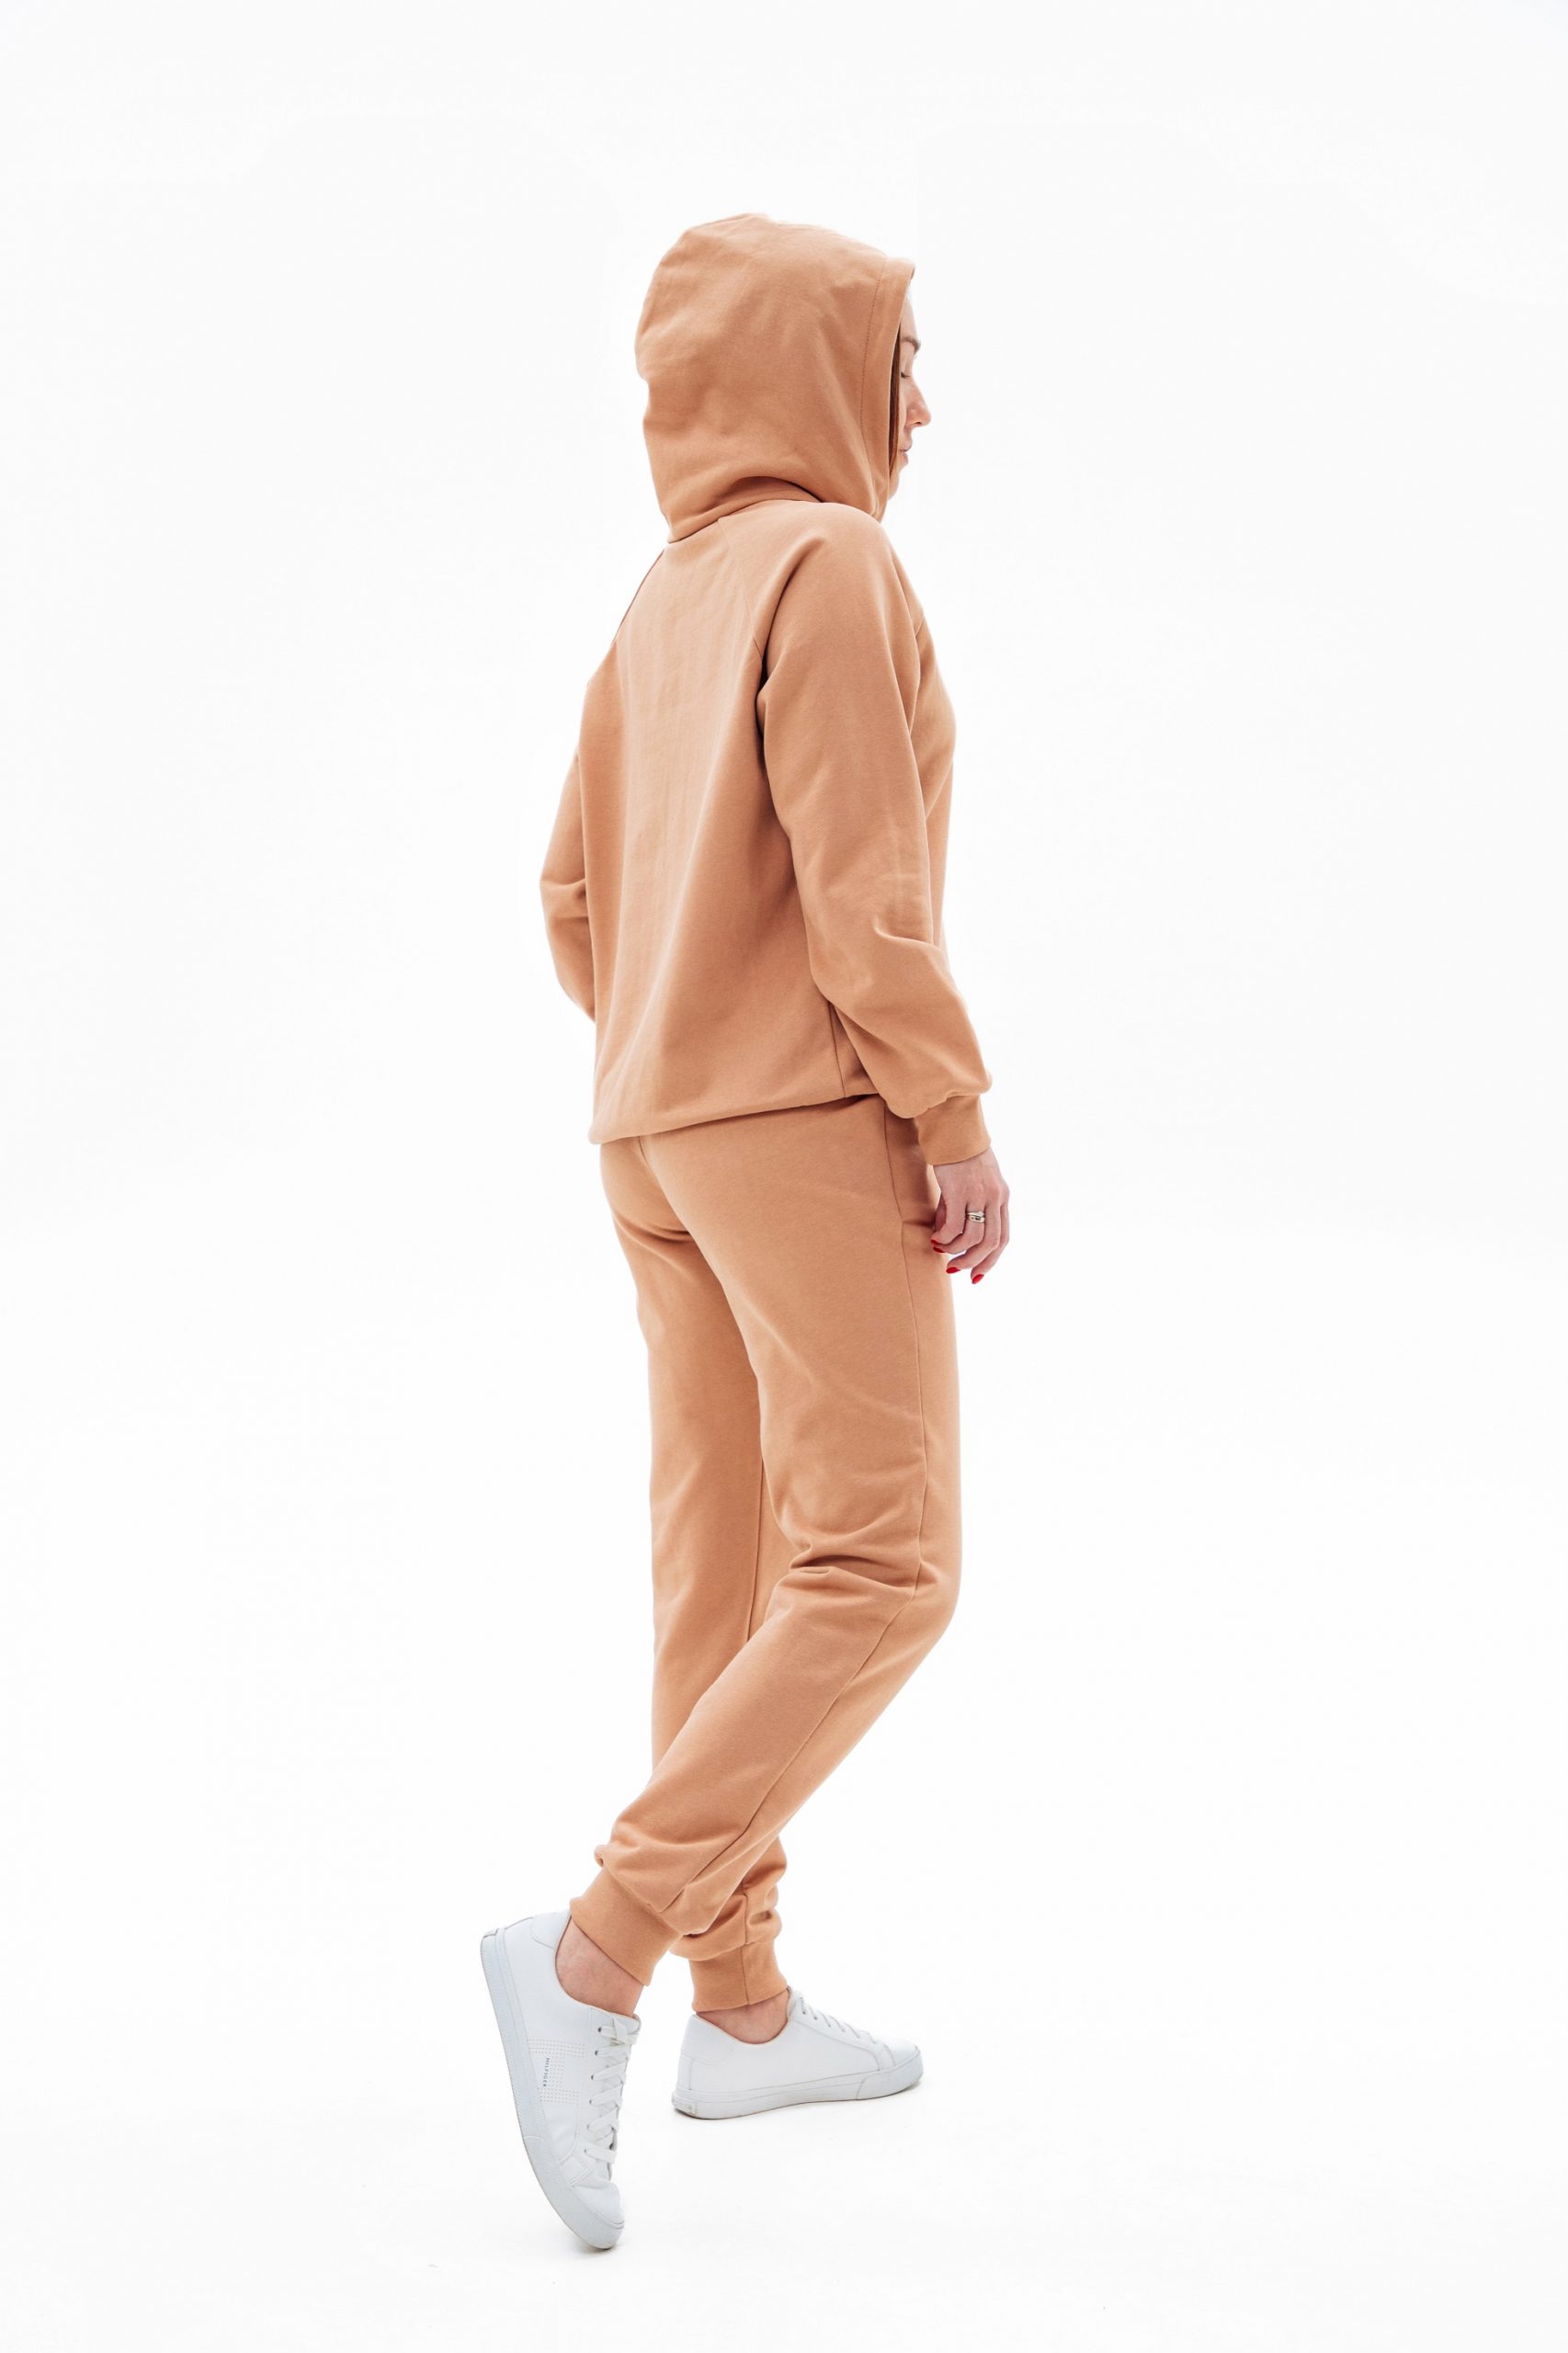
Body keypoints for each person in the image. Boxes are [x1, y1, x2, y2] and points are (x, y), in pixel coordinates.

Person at [481, 211, 1009, 2251]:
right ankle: (601, 1948)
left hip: (651, 1130)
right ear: (812, 370)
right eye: (898, 362)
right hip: (798, 1120)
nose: (921, 408)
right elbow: (866, 885)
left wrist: (674, 1033)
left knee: (722, 1571)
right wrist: (942, 1107)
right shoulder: (832, 563)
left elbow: (568, 899)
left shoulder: (665, 595)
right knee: (883, 1562)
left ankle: (746, 2002)